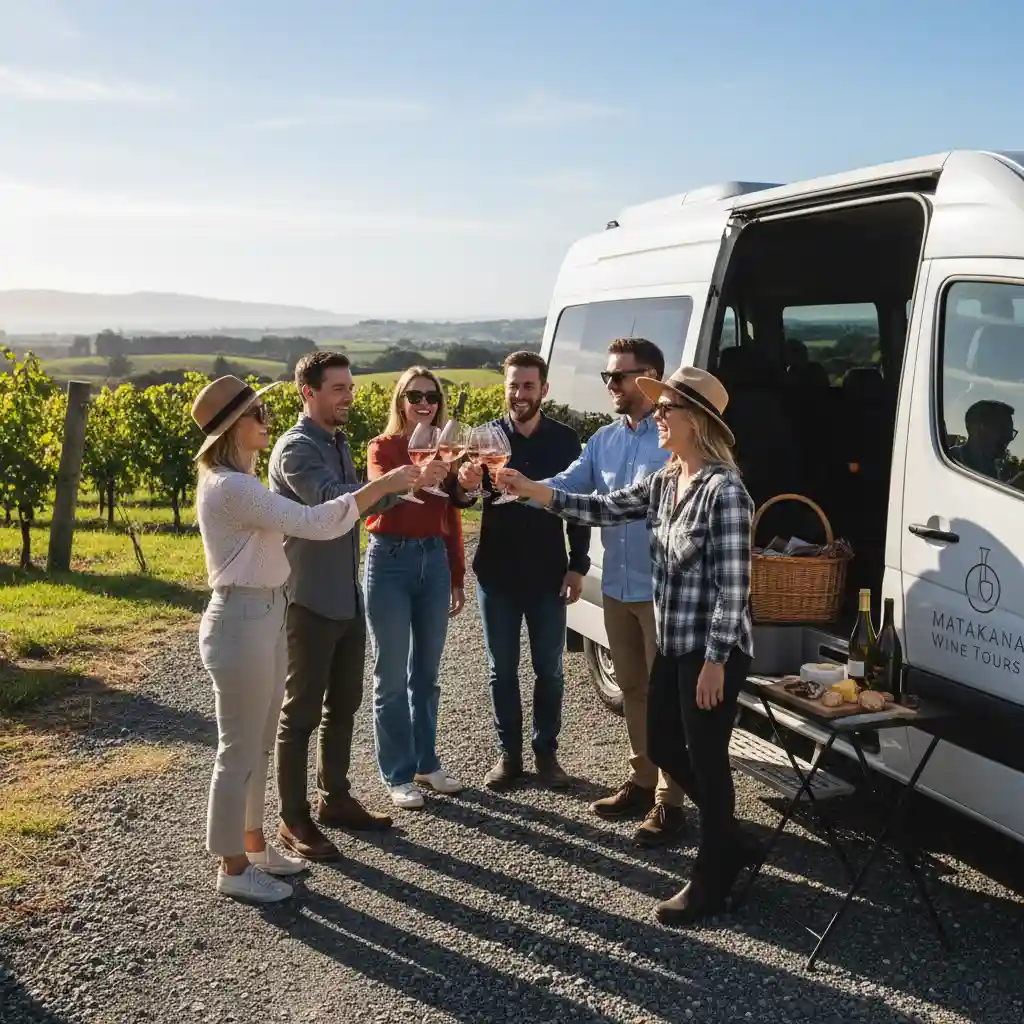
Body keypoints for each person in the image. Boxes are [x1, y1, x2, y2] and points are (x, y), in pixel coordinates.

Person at [496, 366, 757, 926]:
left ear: (697, 421)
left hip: (714, 651)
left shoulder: (725, 491)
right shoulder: (667, 480)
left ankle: (711, 880)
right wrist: (528, 490)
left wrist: (715, 662)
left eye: (668, 409)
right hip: (677, 642)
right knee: (665, 745)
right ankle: (729, 836)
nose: (656, 414)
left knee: (708, 763)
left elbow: (734, 589)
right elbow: (602, 507)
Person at [192, 375, 419, 902]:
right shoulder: (234, 487)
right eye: (256, 415)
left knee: (258, 742)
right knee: (239, 749)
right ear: (233, 428)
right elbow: (315, 522)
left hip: (264, 614)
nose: (266, 421)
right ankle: (231, 866)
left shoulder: (237, 481)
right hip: (242, 619)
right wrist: (383, 485)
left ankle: (253, 846)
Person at [538, 338, 687, 846]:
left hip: (660, 591)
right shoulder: (603, 439)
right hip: (619, 588)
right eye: (607, 377)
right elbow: (569, 486)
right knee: (634, 692)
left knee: (668, 698)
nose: (610, 386)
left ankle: (672, 802)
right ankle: (643, 781)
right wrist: (514, 485)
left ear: (648, 380)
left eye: (618, 377)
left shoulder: (672, 442)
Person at [268, 351, 396, 864]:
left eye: (350, 386)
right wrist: (389, 485)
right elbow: (330, 501)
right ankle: (292, 817)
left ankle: (335, 798)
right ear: (309, 392)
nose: (348, 395)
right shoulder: (296, 448)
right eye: (338, 388)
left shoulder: (338, 442)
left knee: (343, 704)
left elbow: (359, 502)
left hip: (344, 594)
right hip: (308, 600)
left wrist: (394, 487)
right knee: (299, 714)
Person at [457, 351, 590, 790]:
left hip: (549, 572)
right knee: (502, 670)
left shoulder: (565, 441)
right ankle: (509, 755)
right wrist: (465, 487)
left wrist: (578, 565)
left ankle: (546, 752)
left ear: (544, 390)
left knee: (550, 669)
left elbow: (578, 509)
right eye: (513, 385)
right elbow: (462, 499)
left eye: (528, 385)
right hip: (496, 572)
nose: (519, 393)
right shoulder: (484, 437)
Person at [365, 367, 473, 809]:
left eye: (431, 395)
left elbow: (453, 511)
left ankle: (427, 763)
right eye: (415, 395)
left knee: (427, 675)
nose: (424, 402)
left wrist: (464, 485)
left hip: (432, 558)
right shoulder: (382, 447)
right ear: (401, 400)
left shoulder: (449, 450)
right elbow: (376, 495)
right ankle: (397, 773)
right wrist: (420, 474)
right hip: (389, 560)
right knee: (390, 676)